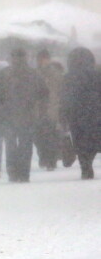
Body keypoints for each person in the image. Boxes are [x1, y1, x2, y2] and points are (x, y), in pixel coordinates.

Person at [0, 48, 48, 183]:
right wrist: (38, 109)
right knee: (25, 145)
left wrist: (1, 110)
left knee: (11, 145)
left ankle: (12, 171)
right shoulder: (33, 74)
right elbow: (44, 94)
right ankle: (24, 172)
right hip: (27, 115)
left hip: (10, 116)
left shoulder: (5, 74)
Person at [60, 47, 100, 180]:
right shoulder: (97, 75)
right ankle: (89, 159)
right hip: (95, 114)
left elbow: (64, 99)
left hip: (76, 115)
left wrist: (63, 116)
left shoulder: (68, 78)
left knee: (80, 142)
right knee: (95, 140)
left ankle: (85, 166)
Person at [35, 49, 65, 170]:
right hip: (38, 109)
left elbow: (60, 91)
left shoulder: (55, 73)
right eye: (41, 59)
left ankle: (51, 160)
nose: (43, 61)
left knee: (51, 136)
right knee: (38, 136)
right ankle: (43, 156)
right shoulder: (35, 73)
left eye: (45, 58)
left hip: (52, 108)